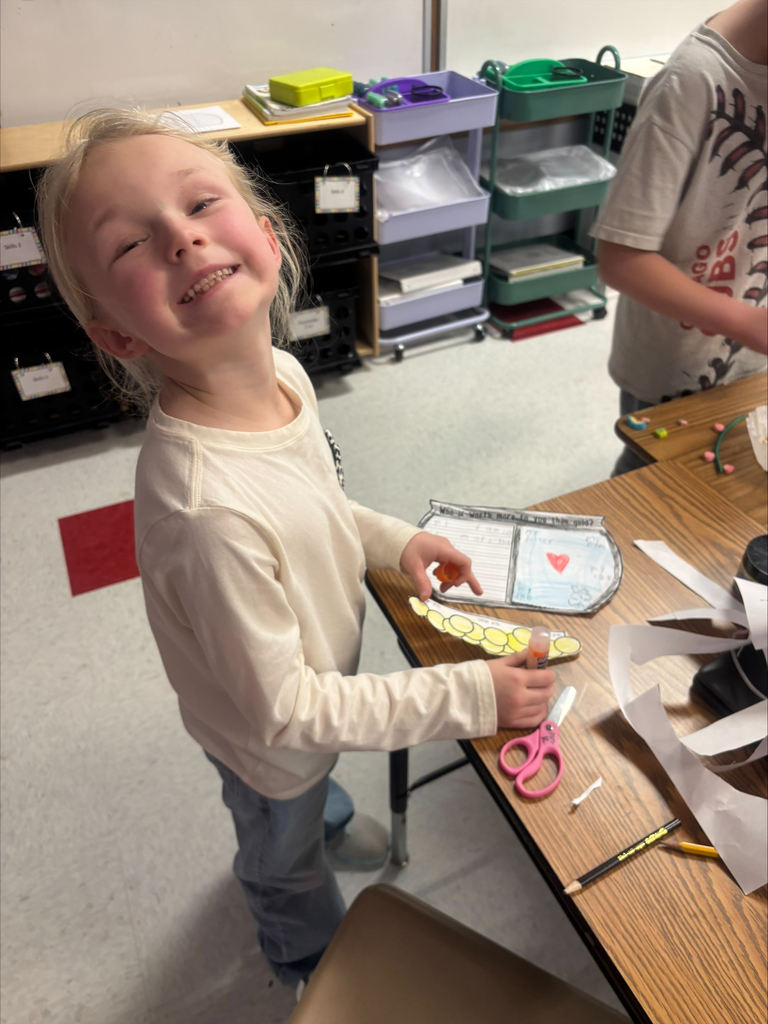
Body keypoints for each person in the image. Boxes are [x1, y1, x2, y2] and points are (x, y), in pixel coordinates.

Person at [35, 110, 555, 990]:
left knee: (314, 792)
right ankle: (301, 950)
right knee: (284, 855)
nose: (181, 235)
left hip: (313, 697)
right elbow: (282, 713)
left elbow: (318, 506)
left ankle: (323, 807)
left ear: (268, 239)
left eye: (201, 202)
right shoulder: (204, 514)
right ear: (115, 335)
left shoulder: (283, 374)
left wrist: (398, 541)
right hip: (269, 742)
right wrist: (471, 693)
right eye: (130, 245)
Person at [591, 0, 768, 476]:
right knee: (654, 483)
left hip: (754, 360)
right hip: (674, 367)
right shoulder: (690, 81)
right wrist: (751, 324)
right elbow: (621, 259)